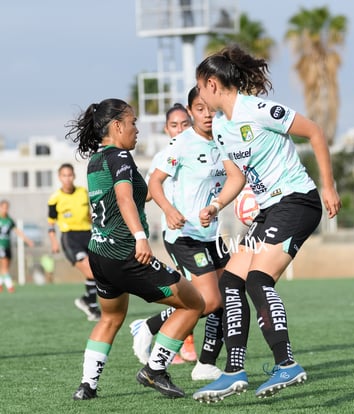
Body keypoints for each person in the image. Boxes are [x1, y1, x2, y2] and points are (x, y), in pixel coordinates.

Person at [192, 45, 341, 402]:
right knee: (231, 281)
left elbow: (315, 132)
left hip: (297, 201)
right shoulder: (223, 129)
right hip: (269, 210)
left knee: (258, 279)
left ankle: (287, 363)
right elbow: (235, 179)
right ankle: (234, 371)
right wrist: (215, 205)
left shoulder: (256, 109)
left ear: (212, 84)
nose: (198, 95)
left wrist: (329, 185)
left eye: (199, 87)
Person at [65, 98, 204, 400]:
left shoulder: (97, 160)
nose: (136, 129)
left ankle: (87, 385)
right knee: (195, 304)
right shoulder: (121, 158)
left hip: (99, 253)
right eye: (133, 122)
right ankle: (155, 369)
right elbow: (125, 199)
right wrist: (141, 237)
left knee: (110, 318)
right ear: (117, 126)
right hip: (125, 253)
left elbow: (129, 198)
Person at [132, 87, 230, 381]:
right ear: (191, 112)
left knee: (226, 296)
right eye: (199, 109)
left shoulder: (226, 139)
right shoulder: (181, 145)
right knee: (209, 301)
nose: (207, 114)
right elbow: (154, 184)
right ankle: (150, 327)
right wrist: (169, 210)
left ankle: (206, 363)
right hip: (184, 235)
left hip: (212, 234)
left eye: (210, 107)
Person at [129, 103, 197, 365]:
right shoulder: (164, 157)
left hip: (204, 233)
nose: (179, 129)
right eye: (174, 125)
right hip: (178, 235)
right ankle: (181, 342)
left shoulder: (202, 149)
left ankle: (150, 326)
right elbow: (145, 194)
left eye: (184, 124)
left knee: (208, 294)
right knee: (199, 294)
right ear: (166, 129)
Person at [48, 163, 100, 321]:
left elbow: (90, 215)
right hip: (70, 238)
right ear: (59, 177)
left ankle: (87, 300)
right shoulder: (55, 198)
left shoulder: (83, 192)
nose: (67, 179)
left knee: (97, 271)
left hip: (88, 234)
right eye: (64, 175)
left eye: (70, 175)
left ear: (74, 176)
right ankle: (92, 307)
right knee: (91, 271)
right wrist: (54, 242)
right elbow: (51, 223)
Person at [0, 200, 34, 293]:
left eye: (7, 208)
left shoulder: (9, 220)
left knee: (4, 267)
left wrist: (28, 240)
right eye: (3, 207)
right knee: (4, 267)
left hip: (7, 246)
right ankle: (10, 286)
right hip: (0, 246)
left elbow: (18, 231)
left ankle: (0, 284)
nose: (5, 210)